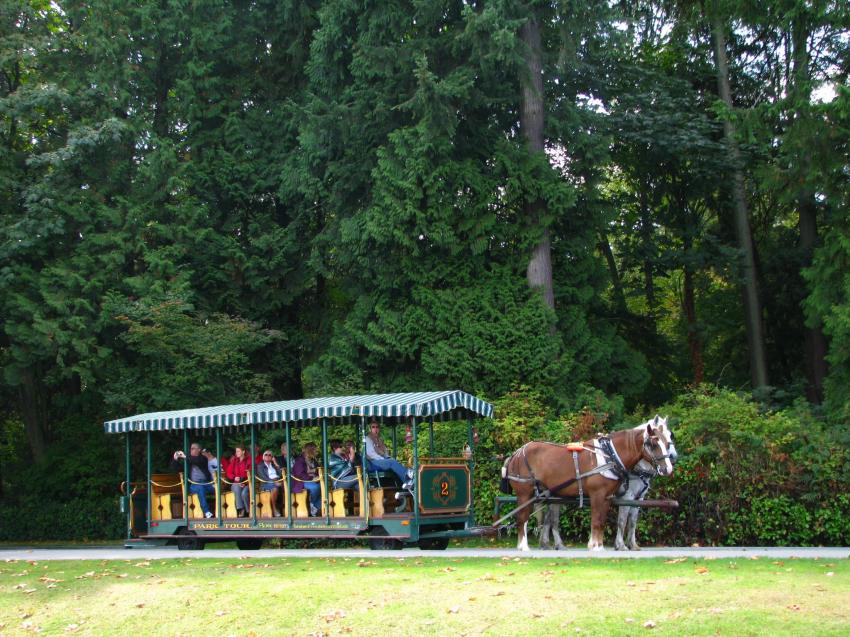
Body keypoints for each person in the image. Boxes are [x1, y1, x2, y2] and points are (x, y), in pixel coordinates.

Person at [171, 443, 214, 518]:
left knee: (217, 488)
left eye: (193, 448)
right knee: (200, 488)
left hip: (207, 483)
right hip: (194, 485)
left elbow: (197, 461)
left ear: (199, 450)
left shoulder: (203, 458)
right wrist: (175, 459)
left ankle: (221, 510)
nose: (191, 450)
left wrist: (185, 456)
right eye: (190, 448)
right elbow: (176, 469)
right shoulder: (188, 460)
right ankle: (206, 511)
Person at [365, 420, 412, 488]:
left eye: (377, 427)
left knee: (395, 462)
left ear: (379, 428)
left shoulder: (380, 439)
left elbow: (385, 453)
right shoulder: (368, 439)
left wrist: (387, 457)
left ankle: (405, 484)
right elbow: (371, 454)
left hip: (380, 460)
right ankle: (408, 475)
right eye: (373, 427)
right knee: (391, 462)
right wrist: (384, 459)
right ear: (370, 429)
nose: (375, 429)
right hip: (372, 463)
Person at [292, 442, 321, 516]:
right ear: (310, 450)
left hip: (313, 480)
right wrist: (312, 478)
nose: (316, 452)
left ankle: (314, 506)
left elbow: (317, 471)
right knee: (315, 487)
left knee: (325, 487)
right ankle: (313, 504)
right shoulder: (300, 460)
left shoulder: (313, 460)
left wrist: (317, 476)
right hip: (301, 482)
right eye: (315, 450)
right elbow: (300, 474)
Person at [226, 445, 251, 517]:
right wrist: (234, 477)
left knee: (244, 493)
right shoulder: (235, 461)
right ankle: (241, 509)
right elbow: (228, 472)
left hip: (247, 483)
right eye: (236, 451)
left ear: (243, 451)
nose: (236, 453)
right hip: (236, 483)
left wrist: (245, 483)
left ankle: (248, 510)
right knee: (236, 487)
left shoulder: (249, 460)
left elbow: (251, 472)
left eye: (238, 451)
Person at [256, 450, 282, 516]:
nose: (268, 456)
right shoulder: (260, 466)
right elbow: (263, 478)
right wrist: (274, 482)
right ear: (263, 457)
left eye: (270, 455)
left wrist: (275, 463)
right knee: (275, 489)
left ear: (272, 457)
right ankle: (274, 508)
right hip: (266, 483)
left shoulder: (273, 465)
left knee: (287, 486)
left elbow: (280, 474)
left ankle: (286, 507)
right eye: (266, 455)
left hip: (277, 481)